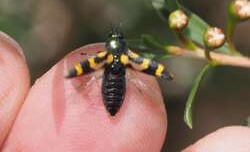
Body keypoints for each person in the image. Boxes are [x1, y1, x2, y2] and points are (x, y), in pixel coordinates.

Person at [0, 32, 249, 152]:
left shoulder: (104, 56)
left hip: (113, 92)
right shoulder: (128, 57)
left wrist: (74, 73)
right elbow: (155, 69)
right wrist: (163, 72)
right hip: (117, 92)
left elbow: (81, 68)